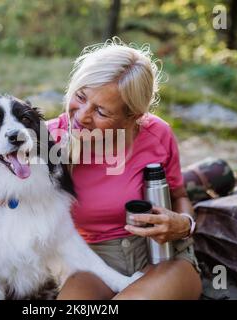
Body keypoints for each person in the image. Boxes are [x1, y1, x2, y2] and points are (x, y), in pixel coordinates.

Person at [47, 38, 202, 300]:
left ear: (132, 116)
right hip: (92, 262)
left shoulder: (157, 134)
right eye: (81, 96)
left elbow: (179, 195)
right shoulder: (47, 140)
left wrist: (184, 225)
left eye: (101, 111)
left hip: (162, 254)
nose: (82, 115)